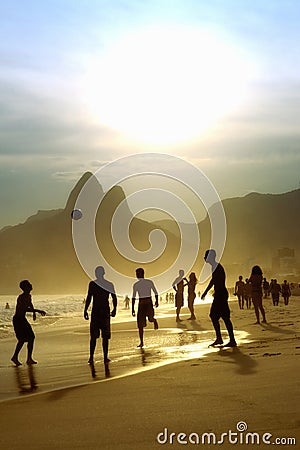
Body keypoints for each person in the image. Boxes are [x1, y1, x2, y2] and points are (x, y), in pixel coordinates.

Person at [201, 250, 237, 347]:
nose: (204, 258)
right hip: (220, 294)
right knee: (219, 316)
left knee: (219, 316)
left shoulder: (216, 266)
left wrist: (206, 292)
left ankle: (226, 339)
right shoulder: (215, 266)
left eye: (206, 256)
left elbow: (215, 281)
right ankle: (222, 338)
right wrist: (207, 292)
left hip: (220, 294)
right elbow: (214, 280)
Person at [84, 266, 117, 365]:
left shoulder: (95, 284)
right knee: (99, 336)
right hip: (100, 312)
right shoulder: (102, 284)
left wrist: (115, 309)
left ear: (100, 274)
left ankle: (97, 357)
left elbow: (114, 297)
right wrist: (85, 310)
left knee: (100, 337)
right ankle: (94, 357)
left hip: (99, 312)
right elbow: (89, 297)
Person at [11, 280, 46, 366]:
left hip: (22, 319)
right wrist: (37, 311)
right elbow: (24, 309)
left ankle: (29, 358)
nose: (31, 285)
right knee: (22, 339)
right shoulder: (21, 297)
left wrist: (34, 313)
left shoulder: (28, 296)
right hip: (18, 320)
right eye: (29, 284)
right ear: (25, 287)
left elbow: (30, 304)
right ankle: (15, 357)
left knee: (31, 337)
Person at [132, 268, 159, 348]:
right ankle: (141, 342)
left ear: (142, 274)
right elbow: (133, 296)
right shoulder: (136, 285)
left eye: (138, 274)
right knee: (140, 325)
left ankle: (154, 320)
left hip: (148, 304)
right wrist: (132, 308)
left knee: (150, 319)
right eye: (136, 274)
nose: (137, 276)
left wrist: (157, 301)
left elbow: (155, 292)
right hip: (141, 305)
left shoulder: (149, 282)